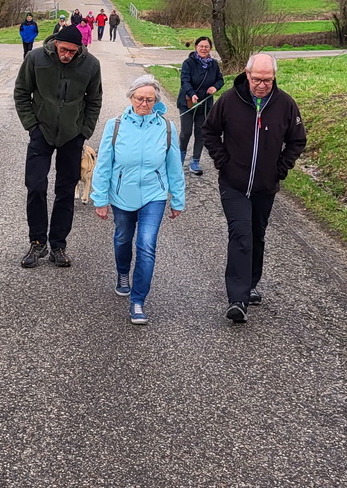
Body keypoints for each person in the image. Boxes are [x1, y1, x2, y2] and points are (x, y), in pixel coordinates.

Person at [202, 52, 306, 325]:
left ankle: (250, 283)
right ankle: (237, 299)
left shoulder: (285, 104)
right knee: (241, 234)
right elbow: (209, 131)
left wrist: (281, 168)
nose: (262, 84)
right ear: (247, 75)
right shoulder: (229, 101)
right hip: (233, 183)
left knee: (257, 233)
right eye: (257, 79)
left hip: (265, 185)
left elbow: (297, 141)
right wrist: (222, 160)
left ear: (274, 78)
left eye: (267, 80)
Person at [92, 76, 185, 325]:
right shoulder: (116, 125)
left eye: (150, 99)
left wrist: (177, 199)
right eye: (139, 98)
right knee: (123, 238)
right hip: (122, 194)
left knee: (146, 244)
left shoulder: (166, 127)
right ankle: (123, 274)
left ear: (156, 101)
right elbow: (103, 165)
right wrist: (99, 198)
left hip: (154, 195)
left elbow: (174, 166)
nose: (144, 103)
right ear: (131, 98)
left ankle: (138, 300)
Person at [13, 22, 103, 268]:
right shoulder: (35, 58)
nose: (66, 55)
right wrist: (32, 126)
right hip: (41, 132)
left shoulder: (91, 65)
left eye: (72, 52)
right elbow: (21, 92)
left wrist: (84, 131)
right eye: (63, 50)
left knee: (65, 191)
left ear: (79, 49)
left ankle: (58, 245)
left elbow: (94, 100)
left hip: (72, 136)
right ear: (55, 44)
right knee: (35, 186)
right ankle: (37, 243)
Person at [176, 36, 224, 176]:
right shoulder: (188, 63)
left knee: (201, 132)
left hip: (204, 105)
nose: (204, 49)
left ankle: (195, 161)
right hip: (188, 103)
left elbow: (220, 80)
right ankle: (179, 158)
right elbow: (184, 80)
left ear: (210, 49)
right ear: (196, 47)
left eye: (207, 47)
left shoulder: (213, 64)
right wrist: (191, 93)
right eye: (201, 46)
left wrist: (215, 87)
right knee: (186, 132)